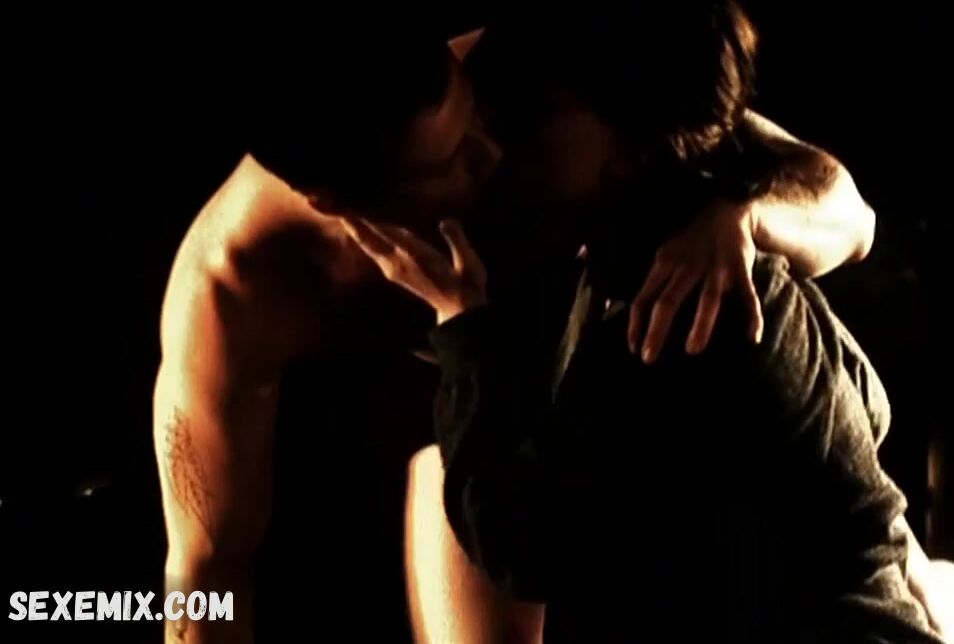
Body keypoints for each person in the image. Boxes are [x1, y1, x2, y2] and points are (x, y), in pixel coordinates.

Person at [153, 19, 878, 644]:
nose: (492, 154)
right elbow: (207, 572)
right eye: (451, 161)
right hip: (455, 428)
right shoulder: (239, 287)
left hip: (598, 402)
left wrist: (742, 216)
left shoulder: (525, 86)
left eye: (477, 119)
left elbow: (848, 213)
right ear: (339, 202)